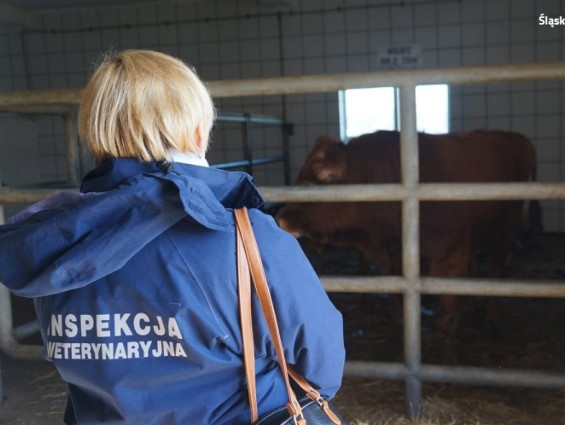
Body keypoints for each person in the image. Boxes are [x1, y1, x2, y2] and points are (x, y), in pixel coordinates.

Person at [0, 49, 345, 424]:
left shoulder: (54, 243)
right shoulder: (248, 237)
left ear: (95, 135)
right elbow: (323, 367)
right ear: (198, 132)